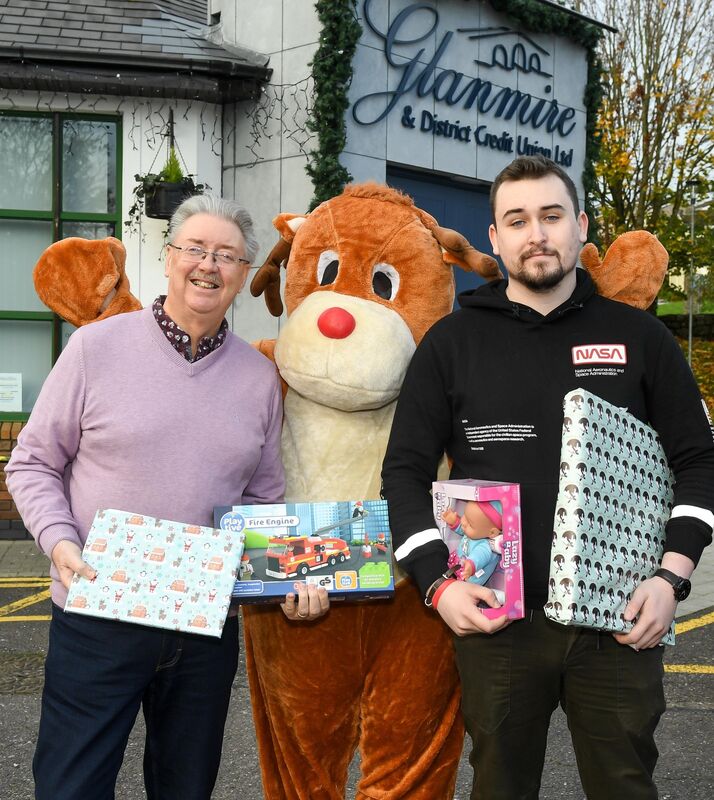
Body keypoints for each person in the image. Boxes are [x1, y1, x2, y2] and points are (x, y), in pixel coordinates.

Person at [381, 155, 714, 799]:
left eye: (552, 215)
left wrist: (672, 578)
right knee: (501, 786)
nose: (536, 233)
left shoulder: (640, 338)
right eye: (518, 219)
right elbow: (404, 473)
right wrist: (437, 587)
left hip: (620, 614)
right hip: (495, 620)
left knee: (624, 785)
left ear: (580, 226)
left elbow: (698, 462)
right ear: (496, 238)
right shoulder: (451, 342)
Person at [6, 194, 327, 800]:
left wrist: (287, 580)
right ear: (169, 255)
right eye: (195, 249)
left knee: (186, 789)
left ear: (243, 273)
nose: (208, 265)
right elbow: (32, 463)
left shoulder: (260, 379)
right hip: (97, 613)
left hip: (203, 629)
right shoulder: (95, 349)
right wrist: (60, 543)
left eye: (227, 255)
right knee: (69, 787)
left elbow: (262, 502)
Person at [442, 501, 502, 584]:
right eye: (465, 515)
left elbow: (479, 556)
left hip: (467, 578)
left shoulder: (486, 546)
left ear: (492, 533)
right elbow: (463, 529)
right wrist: (454, 522)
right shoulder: (476, 533)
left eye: (470, 524)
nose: (463, 522)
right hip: (456, 564)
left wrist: (471, 565)